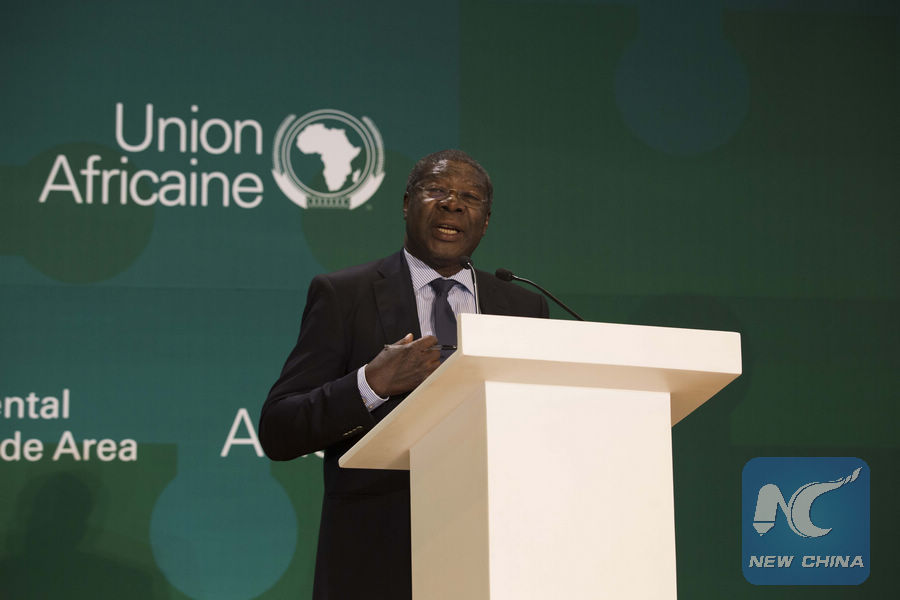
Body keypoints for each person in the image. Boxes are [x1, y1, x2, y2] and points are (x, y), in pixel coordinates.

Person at [259, 149, 548, 599]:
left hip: (497, 550)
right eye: (437, 190)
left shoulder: (523, 307)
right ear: (407, 203)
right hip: (379, 559)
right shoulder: (345, 295)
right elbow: (279, 429)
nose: (452, 204)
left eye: (470, 197)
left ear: (486, 221)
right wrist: (369, 385)